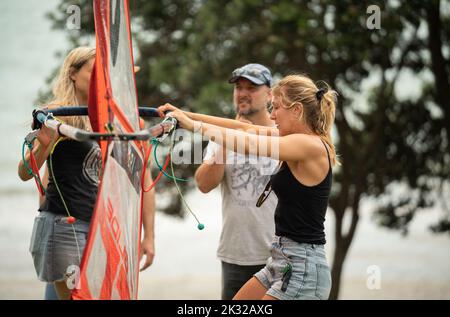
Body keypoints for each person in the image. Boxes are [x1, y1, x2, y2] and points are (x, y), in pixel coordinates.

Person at [158, 73, 337, 300]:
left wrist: (193, 126)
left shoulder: (309, 145)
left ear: (297, 110)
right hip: (281, 260)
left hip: (303, 268)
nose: (271, 116)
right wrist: (184, 115)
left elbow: (249, 142)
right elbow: (243, 129)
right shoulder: (297, 140)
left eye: (276, 108)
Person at [18, 47, 155, 300]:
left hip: (102, 227)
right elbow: (26, 173)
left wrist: (148, 235)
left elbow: (140, 180)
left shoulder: (117, 120)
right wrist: (45, 143)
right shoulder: (57, 115)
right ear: (72, 73)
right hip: (64, 225)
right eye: (93, 73)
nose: (100, 81)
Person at [194, 63, 278, 300]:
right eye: (239, 88)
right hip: (235, 256)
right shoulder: (222, 136)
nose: (242, 93)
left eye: (251, 87)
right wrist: (225, 139)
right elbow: (203, 184)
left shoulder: (283, 134)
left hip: (279, 256)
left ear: (270, 94)